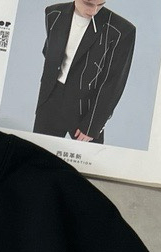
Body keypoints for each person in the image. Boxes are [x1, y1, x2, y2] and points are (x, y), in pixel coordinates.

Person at [33, 0, 136, 145]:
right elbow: (50, 54)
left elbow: (113, 83)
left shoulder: (121, 30)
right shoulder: (53, 13)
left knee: (89, 158)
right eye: (88, 4)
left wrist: (94, 125)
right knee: (39, 154)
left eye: (100, 4)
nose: (94, 11)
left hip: (86, 108)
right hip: (50, 100)